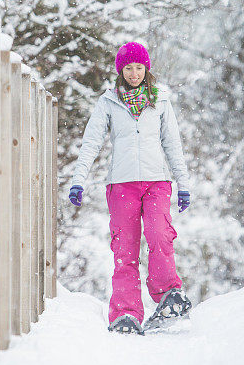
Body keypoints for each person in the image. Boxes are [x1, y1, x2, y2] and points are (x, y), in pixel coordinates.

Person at [68, 41, 192, 335]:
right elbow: (91, 142)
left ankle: (168, 296)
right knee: (124, 249)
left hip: (156, 182)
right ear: (120, 71)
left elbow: (172, 144)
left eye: (139, 68)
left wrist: (183, 184)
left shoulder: (160, 102)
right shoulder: (108, 102)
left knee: (159, 234)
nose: (134, 73)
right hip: (121, 185)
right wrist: (78, 179)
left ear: (146, 69)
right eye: (128, 68)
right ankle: (126, 313)